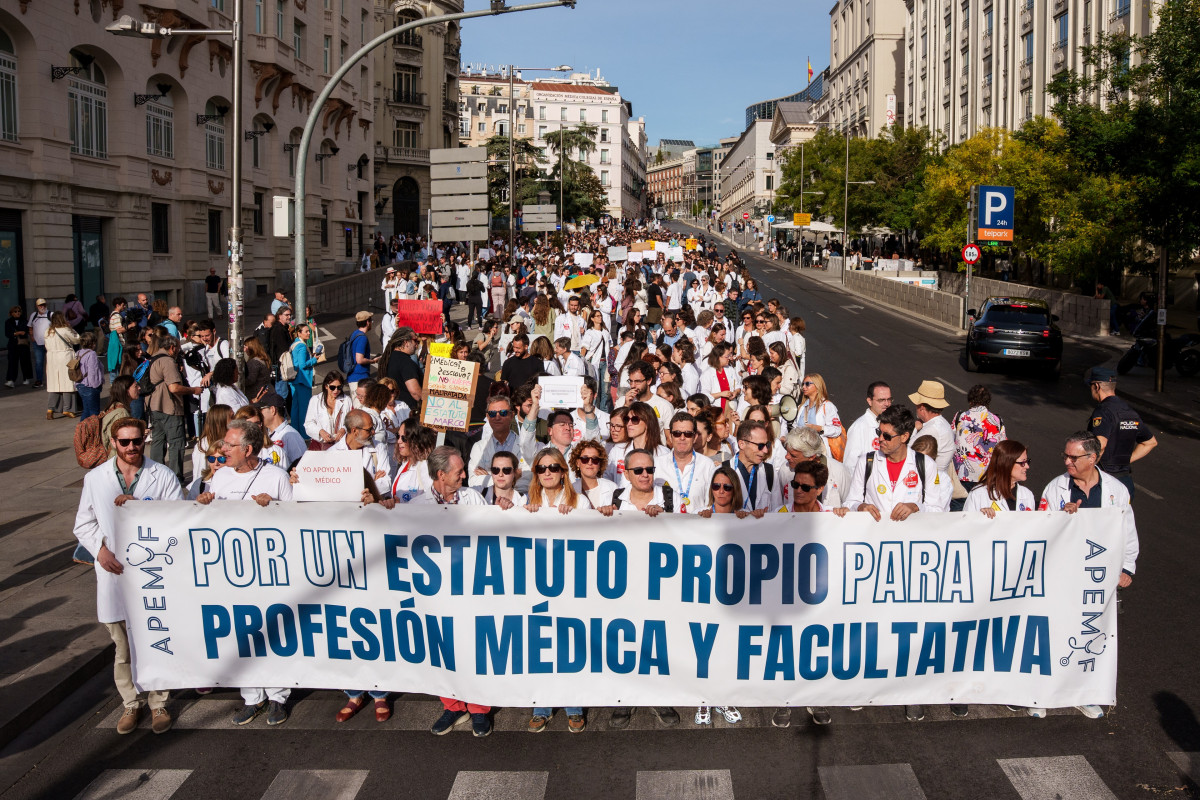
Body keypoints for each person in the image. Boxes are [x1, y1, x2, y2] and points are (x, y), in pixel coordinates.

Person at [73, 417, 183, 735]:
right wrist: (100, 551)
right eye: (125, 442)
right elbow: (83, 523)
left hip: (152, 571)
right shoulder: (95, 479)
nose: (132, 447)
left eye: (137, 441)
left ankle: (158, 702)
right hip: (113, 571)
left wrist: (142, 508)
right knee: (122, 646)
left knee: (154, 640)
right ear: (113, 443)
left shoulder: (161, 475)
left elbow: (178, 517)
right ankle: (130, 704)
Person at [195, 419, 294, 726]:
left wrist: (275, 506)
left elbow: (297, 520)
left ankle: (278, 695)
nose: (223, 448)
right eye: (224, 444)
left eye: (229, 444)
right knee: (241, 632)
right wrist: (203, 504)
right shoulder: (220, 477)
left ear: (248, 449)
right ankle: (252, 696)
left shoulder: (275, 476)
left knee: (273, 631)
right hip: (232, 570)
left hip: (269, 568)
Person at [1038, 431, 1139, 720]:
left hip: (1097, 577)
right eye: (1065, 456)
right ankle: (1041, 693)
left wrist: (1127, 567)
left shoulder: (1116, 490)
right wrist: (1061, 516)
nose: (1067, 461)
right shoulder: (1056, 488)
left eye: (1074, 457)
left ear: (1092, 458)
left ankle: (1083, 694)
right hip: (1061, 574)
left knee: (1089, 634)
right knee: (1054, 633)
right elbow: (1040, 528)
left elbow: (1127, 530)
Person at [1085, 367, 1157, 499]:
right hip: (1125, 481)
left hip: (1105, 480)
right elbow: (1150, 442)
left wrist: (1087, 470)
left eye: (1091, 385)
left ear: (1096, 386)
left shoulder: (1103, 411)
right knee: (1122, 519)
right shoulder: (1129, 412)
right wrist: (1125, 460)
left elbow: (1101, 444)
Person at [147, 335, 203, 481]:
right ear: (172, 347)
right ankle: (175, 476)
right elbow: (173, 387)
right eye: (178, 348)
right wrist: (193, 390)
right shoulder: (167, 361)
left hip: (154, 406)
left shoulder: (153, 358)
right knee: (176, 442)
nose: (179, 351)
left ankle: (155, 475)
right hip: (169, 407)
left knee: (158, 442)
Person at [952, 384, 1007, 511]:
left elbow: (951, 439)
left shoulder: (960, 416)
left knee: (960, 509)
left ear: (970, 401)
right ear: (988, 402)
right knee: (982, 508)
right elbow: (1003, 445)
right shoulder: (997, 420)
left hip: (962, 473)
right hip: (987, 475)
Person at [655, 412, 715, 513]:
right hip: (666, 526)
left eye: (687, 434)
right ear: (670, 436)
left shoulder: (707, 465)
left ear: (695, 437)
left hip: (697, 525)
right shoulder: (657, 464)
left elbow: (710, 504)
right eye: (677, 433)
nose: (682, 438)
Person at [330, 409, 396, 498]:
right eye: (369, 430)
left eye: (373, 427)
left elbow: (386, 481)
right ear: (354, 431)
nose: (373, 432)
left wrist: (370, 491)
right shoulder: (332, 454)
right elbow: (335, 488)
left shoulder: (379, 447)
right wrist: (371, 484)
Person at [783, 426, 849, 509]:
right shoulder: (784, 470)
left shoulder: (838, 470)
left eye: (793, 455)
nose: (786, 457)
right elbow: (778, 509)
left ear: (811, 457)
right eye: (787, 452)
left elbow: (849, 504)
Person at [964, 440, 1035, 514]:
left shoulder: (1027, 494)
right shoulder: (978, 494)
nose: (1027, 466)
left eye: (1027, 461)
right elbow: (966, 523)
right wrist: (980, 517)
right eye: (1023, 462)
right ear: (1006, 464)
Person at [730, 420, 783, 515]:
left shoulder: (770, 472)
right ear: (741, 444)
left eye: (767, 445)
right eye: (760, 446)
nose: (766, 450)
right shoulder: (722, 471)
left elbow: (777, 512)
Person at [909, 380, 955, 474]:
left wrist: (914, 429)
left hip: (931, 479)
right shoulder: (942, 423)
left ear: (922, 407)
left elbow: (908, 452)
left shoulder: (932, 429)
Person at [842, 381, 892, 469]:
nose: (887, 404)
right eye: (881, 400)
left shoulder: (891, 423)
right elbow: (850, 466)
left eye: (889, 399)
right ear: (870, 401)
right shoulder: (859, 427)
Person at [526, 447, 591, 513]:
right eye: (541, 469)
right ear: (537, 474)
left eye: (553, 468)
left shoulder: (581, 502)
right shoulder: (526, 501)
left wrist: (570, 516)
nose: (547, 473)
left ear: (562, 472)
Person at [257, 391, 306, 470]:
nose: (258, 414)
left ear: (273, 410)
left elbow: (301, 466)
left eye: (260, 410)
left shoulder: (291, 435)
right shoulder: (269, 433)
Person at [44, 312, 81, 419]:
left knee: (54, 384)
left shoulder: (47, 331)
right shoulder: (65, 330)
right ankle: (68, 409)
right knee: (68, 383)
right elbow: (76, 339)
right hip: (64, 356)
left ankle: (51, 408)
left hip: (51, 358)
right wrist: (71, 328)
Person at [288, 322, 322, 436]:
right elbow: (302, 365)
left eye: (309, 331)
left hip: (294, 380)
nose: (308, 333)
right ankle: (304, 433)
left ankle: (295, 430)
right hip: (302, 380)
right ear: (299, 333)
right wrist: (314, 359)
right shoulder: (302, 346)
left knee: (295, 407)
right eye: (306, 331)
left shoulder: (295, 344)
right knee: (304, 408)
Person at [305, 370, 351, 450]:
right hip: (320, 446)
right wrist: (320, 431)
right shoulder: (315, 400)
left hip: (340, 445)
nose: (336, 391)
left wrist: (344, 429)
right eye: (332, 387)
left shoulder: (347, 400)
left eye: (339, 387)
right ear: (326, 386)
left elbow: (351, 421)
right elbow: (308, 424)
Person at [383, 327, 423, 414]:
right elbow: (415, 392)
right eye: (415, 340)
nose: (417, 344)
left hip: (397, 407)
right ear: (406, 342)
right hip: (410, 410)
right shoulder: (406, 363)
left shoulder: (390, 358)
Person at [347, 311, 378, 397]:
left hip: (352, 375)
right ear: (367, 322)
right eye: (371, 321)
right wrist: (373, 361)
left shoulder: (354, 334)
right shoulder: (362, 338)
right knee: (360, 407)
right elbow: (359, 359)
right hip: (360, 377)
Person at [75, 331, 105, 420]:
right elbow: (93, 372)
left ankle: (81, 430)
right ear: (93, 343)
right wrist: (96, 386)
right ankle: (91, 431)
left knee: (86, 411)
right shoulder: (92, 354)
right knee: (94, 413)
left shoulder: (79, 353)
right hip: (90, 386)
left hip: (80, 385)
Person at [4, 305, 33, 387]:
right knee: (12, 362)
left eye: (19, 311)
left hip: (23, 344)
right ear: (11, 313)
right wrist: (17, 333)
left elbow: (26, 330)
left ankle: (26, 378)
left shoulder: (24, 320)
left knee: (25, 361)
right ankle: (11, 380)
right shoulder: (8, 322)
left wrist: (20, 332)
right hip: (13, 344)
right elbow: (7, 333)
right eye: (15, 311)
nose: (17, 313)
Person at [242, 337, 273, 401]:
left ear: (251, 347)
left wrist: (239, 381)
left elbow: (251, 380)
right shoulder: (264, 358)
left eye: (246, 347)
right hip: (267, 391)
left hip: (257, 395)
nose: (244, 350)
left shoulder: (254, 362)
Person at [29, 297, 50, 387]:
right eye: (40, 305)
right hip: (37, 343)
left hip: (49, 343)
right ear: (37, 306)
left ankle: (51, 380)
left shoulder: (51, 314)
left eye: (44, 304)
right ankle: (39, 380)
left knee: (51, 362)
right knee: (38, 362)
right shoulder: (33, 315)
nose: (42, 307)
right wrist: (32, 337)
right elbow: (30, 326)